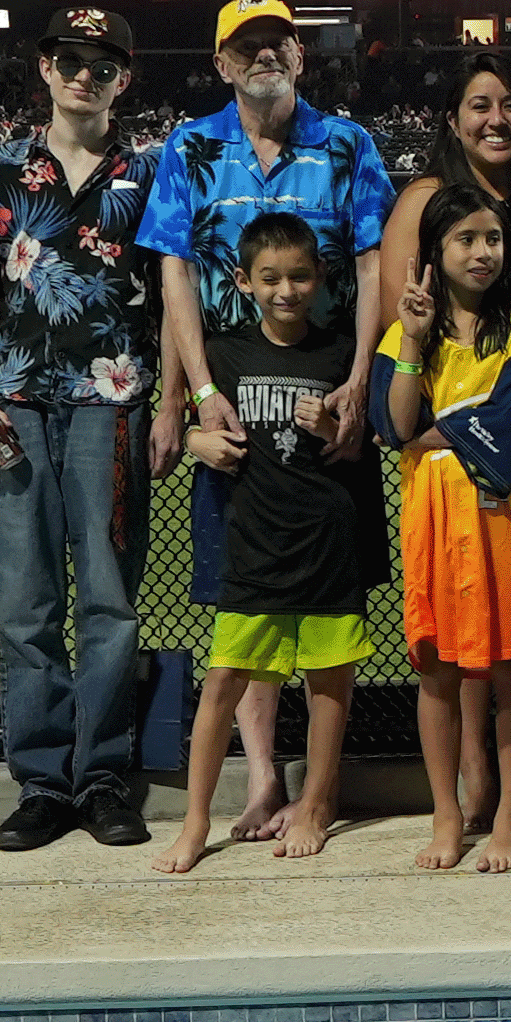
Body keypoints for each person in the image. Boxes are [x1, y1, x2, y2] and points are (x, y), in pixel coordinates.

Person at [137, 0, 393, 842]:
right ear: (221, 63)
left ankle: (312, 788)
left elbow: (370, 259)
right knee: (240, 593)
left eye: (278, 42)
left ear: (300, 54)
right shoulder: (191, 144)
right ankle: (261, 779)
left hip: (324, 389)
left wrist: (359, 380)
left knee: (320, 586)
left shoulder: (347, 143)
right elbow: (173, 275)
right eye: (246, 47)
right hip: (233, 389)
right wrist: (190, 392)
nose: (264, 57)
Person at [0, 7, 162, 852]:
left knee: (109, 599)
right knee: (23, 600)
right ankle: (42, 781)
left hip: (112, 399)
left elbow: (174, 287)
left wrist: (175, 398)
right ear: (45, 68)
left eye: (103, 64)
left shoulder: (147, 172)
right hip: (13, 402)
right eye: (71, 60)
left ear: (123, 78)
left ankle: (104, 774)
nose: (86, 74)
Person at [378, 53, 511, 828]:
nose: (496, 118)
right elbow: (397, 324)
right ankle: (472, 768)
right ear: (453, 119)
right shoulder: (425, 202)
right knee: (462, 610)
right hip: (449, 429)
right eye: (478, 104)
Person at [151, 214, 385, 873]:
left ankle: (315, 802)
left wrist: (339, 421)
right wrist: (197, 438)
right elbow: (192, 429)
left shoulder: (342, 355)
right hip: (253, 548)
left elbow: (366, 440)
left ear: (322, 278)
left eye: (300, 276)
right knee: (223, 679)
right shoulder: (222, 354)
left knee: (330, 684)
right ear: (243, 281)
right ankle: (196, 823)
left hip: (326, 543)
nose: (287, 290)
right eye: (271, 277)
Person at [373, 184, 511, 872]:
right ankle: (447, 815)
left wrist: (433, 431)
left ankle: (510, 816)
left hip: (504, 518)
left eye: (493, 240)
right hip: (433, 521)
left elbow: (508, 425)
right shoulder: (403, 332)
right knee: (439, 671)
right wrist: (414, 345)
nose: (482, 254)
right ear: (435, 251)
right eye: (466, 240)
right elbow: (393, 427)